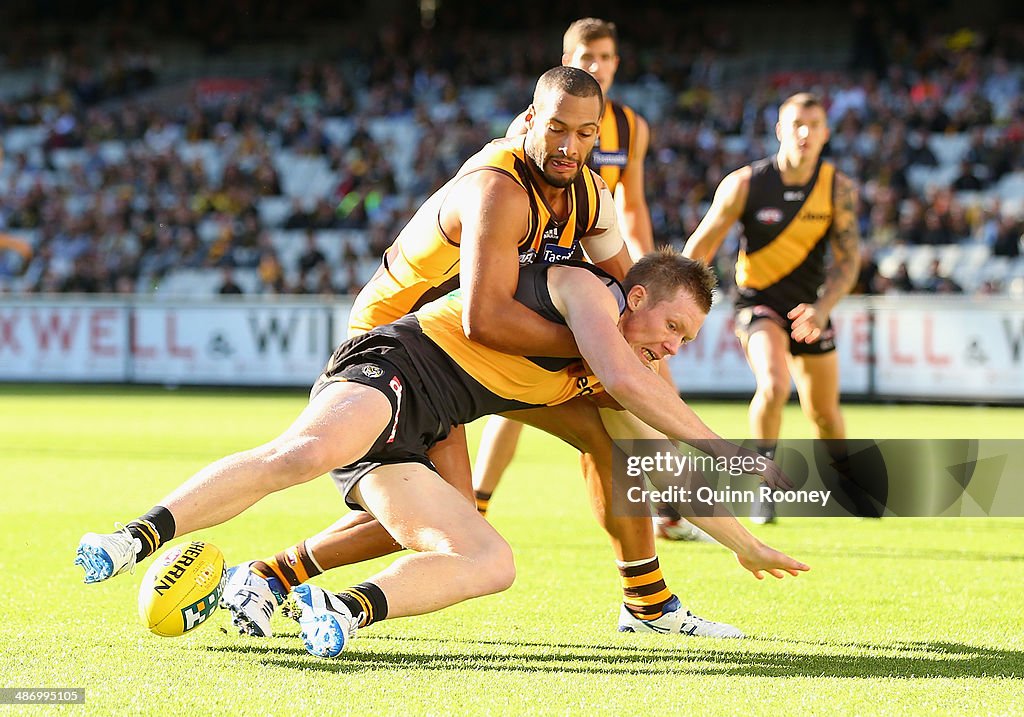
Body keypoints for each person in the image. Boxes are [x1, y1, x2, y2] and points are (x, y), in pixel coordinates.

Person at [76, 253, 808, 657]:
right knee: (300, 454)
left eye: (686, 342)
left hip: (426, 431)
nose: (671, 348)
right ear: (637, 294)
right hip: (393, 367)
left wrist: (745, 542)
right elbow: (626, 377)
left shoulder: (602, 377)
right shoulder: (583, 287)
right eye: (672, 325)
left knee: (491, 560)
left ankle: (334, 611)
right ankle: (129, 536)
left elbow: (653, 465)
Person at [213, 67, 717, 639]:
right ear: (532, 119)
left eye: (584, 133)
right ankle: (272, 573)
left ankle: (647, 602)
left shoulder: (586, 192)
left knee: (604, 436)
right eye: (558, 128)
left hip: (481, 351)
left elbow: (631, 294)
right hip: (409, 344)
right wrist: (603, 356)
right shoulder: (500, 182)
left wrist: (637, 342)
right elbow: (486, 318)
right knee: (448, 515)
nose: (570, 143)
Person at [473, 17, 671, 532]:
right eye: (586, 58)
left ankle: (670, 505)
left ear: (616, 64)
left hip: (598, 256)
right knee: (519, 394)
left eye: (604, 58)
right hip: (541, 264)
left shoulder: (632, 126)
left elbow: (633, 204)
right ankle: (478, 500)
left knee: (645, 369)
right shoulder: (530, 130)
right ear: (567, 62)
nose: (596, 66)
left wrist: (647, 284)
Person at [682, 92, 861, 523]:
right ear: (780, 130)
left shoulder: (838, 188)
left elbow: (849, 259)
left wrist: (822, 308)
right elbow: (701, 247)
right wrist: (681, 305)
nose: (805, 133)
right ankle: (765, 486)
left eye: (814, 125)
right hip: (757, 303)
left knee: (824, 414)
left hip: (811, 308)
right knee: (775, 384)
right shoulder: (744, 183)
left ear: (826, 133)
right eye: (796, 124)